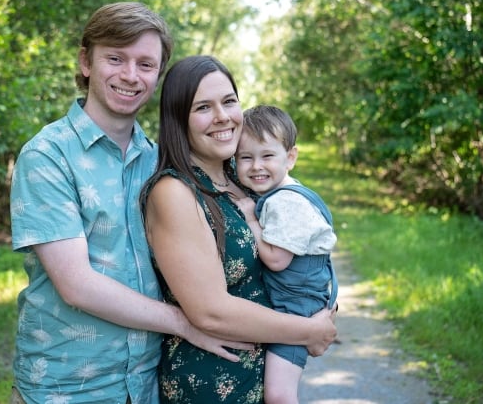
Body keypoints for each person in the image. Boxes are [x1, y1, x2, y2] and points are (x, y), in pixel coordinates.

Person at [9, 3, 250, 404]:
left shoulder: (159, 162)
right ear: (86, 61)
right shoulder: (48, 156)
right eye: (115, 58)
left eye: (145, 64)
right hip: (66, 388)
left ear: (158, 75)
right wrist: (184, 322)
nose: (130, 75)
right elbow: (76, 285)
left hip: (145, 385)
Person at [140, 55, 337, 404]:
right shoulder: (175, 191)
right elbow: (210, 312)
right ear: (178, 120)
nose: (222, 116)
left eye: (229, 101)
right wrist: (310, 330)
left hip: (260, 374)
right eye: (203, 107)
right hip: (212, 381)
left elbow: (297, 248)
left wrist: (323, 303)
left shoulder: (240, 175)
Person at [234, 105, 339, 404]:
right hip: (291, 301)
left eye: (267, 156)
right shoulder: (282, 194)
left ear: (290, 157)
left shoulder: (285, 203)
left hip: (296, 308)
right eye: (245, 157)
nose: (256, 166)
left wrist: (252, 221)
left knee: (279, 394)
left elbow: (277, 260)